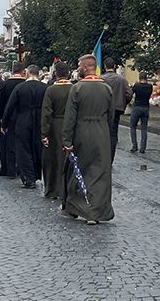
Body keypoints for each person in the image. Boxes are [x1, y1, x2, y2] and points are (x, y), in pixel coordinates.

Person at [60, 54, 114, 224]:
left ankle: (77, 208)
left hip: (82, 132)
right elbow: (111, 116)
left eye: (78, 65)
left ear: (84, 67)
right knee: (99, 173)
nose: (77, 68)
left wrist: (66, 140)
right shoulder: (107, 89)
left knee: (79, 171)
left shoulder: (77, 88)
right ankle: (96, 211)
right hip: (101, 133)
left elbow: (70, 117)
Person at [3, 65, 46, 188]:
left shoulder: (20, 88)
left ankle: (28, 178)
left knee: (23, 149)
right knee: (37, 149)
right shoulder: (45, 88)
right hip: (39, 120)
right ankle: (36, 174)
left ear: (27, 73)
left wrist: (4, 123)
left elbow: (10, 107)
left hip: (23, 120)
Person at [41, 62, 73, 200]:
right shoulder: (74, 88)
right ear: (69, 73)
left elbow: (46, 113)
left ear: (55, 74)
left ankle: (52, 189)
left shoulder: (51, 90)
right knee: (67, 157)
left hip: (55, 126)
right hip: (71, 125)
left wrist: (44, 133)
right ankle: (67, 189)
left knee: (52, 159)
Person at [0, 63, 28, 179]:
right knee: (23, 144)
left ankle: (10, 169)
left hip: (9, 118)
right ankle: (21, 169)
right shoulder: (25, 84)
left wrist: (2, 119)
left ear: (13, 71)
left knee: (9, 144)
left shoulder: (5, 85)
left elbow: (0, 104)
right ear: (23, 71)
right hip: (23, 117)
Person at [99, 57, 132, 161]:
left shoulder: (100, 79)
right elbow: (129, 94)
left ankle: (102, 157)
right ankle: (110, 158)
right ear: (114, 66)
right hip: (117, 108)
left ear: (105, 66)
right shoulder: (122, 80)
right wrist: (123, 103)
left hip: (103, 109)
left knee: (103, 132)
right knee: (113, 133)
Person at [129, 72, 154, 154]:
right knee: (144, 128)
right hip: (146, 107)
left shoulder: (136, 86)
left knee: (133, 126)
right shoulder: (150, 86)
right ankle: (143, 148)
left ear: (139, 78)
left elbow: (131, 94)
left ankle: (134, 146)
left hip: (137, 107)